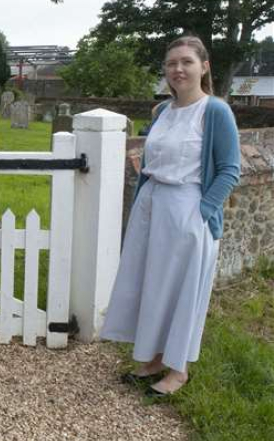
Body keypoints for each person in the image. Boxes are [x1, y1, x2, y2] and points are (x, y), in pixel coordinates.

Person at [101, 35, 241, 397]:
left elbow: (229, 170)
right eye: (171, 63)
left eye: (186, 62)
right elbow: (153, 158)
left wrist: (202, 212)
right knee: (152, 286)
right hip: (152, 207)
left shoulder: (215, 112)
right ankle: (154, 359)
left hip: (187, 211)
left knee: (182, 291)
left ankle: (179, 370)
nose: (177, 69)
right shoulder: (162, 112)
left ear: (204, 67)